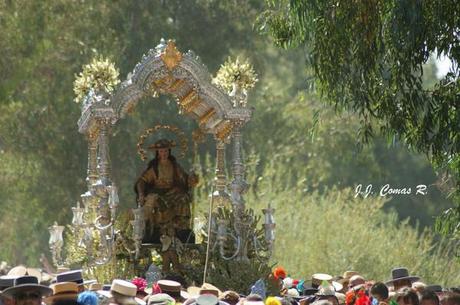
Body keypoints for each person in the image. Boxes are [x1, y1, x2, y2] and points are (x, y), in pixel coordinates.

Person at [135, 139, 198, 244]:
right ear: (158, 153)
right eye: (161, 151)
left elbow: (184, 179)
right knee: (155, 201)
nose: (164, 153)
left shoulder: (174, 166)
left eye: (165, 151)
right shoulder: (154, 167)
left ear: (169, 151)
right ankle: (158, 228)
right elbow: (141, 181)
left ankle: (180, 227)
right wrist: (141, 194)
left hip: (173, 192)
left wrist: (191, 179)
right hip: (158, 192)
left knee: (183, 197)